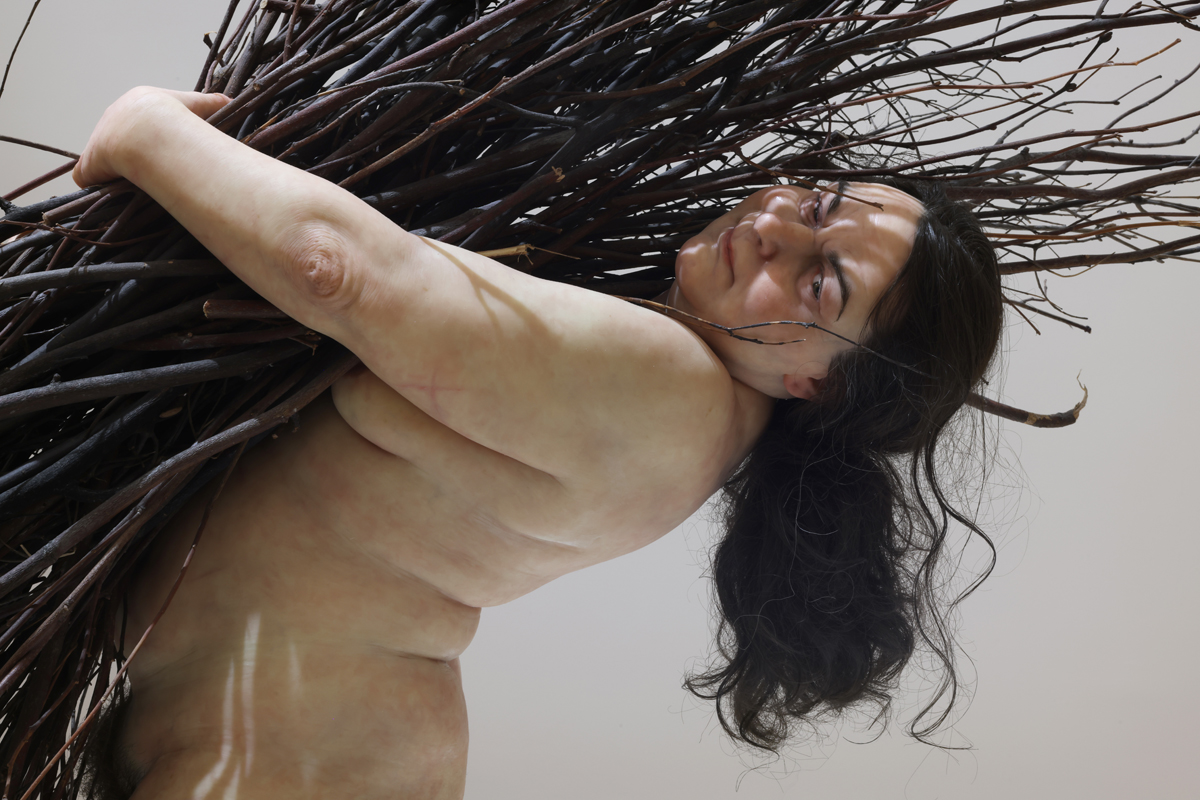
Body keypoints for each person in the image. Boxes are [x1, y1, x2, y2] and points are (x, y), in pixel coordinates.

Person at [71, 85, 1002, 799]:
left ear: (818, 385)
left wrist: (146, 128)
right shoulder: (695, 402)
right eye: (818, 203)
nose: (771, 229)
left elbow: (340, 274)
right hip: (289, 741)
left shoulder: (668, 389)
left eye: (819, 286)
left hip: (295, 753)